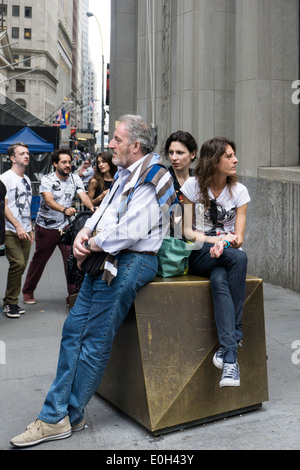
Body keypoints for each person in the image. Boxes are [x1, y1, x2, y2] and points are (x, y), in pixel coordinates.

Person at [10, 114, 177, 448]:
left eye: (117, 138)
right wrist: (85, 231)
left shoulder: (155, 176)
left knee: (94, 339)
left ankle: (57, 417)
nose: (111, 143)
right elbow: (106, 213)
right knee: (75, 331)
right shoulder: (127, 173)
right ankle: (67, 415)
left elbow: (131, 230)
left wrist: (90, 244)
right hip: (108, 257)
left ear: (136, 145)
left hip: (130, 261)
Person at [181, 136, 250, 387]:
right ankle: (237, 334)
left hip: (226, 254)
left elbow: (239, 238)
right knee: (238, 260)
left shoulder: (239, 191)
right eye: (229, 156)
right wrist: (214, 242)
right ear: (214, 160)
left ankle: (229, 358)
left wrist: (225, 243)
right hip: (200, 253)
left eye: (234, 155)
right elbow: (186, 232)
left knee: (221, 279)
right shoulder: (191, 187)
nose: (235, 160)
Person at [22, 148, 95, 306]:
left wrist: (92, 208)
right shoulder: (47, 179)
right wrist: (64, 209)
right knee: (39, 261)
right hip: (46, 228)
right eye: (64, 162)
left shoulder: (75, 179)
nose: (67, 165)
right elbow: (48, 200)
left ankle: (73, 295)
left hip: (66, 228)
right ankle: (28, 290)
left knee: (72, 261)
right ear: (55, 164)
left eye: (69, 162)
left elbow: (83, 196)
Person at [0, 143, 34, 318]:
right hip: (10, 230)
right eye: (22, 153)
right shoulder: (5, 179)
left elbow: (26, 207)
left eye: (27, 153)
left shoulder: (27, 180)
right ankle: (11, 302)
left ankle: (11, 300)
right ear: (13, 158)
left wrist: (30, 228)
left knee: (20, 268)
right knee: (18, 264)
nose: (26, 156)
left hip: (26, 230)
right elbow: (4, 207)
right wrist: (18, 226)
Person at [164, 130, 197, 202]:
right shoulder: (164, 178)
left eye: (179, 153)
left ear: (192, 154)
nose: (174, 158)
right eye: (171, 152)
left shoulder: (198, 178)